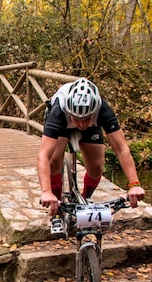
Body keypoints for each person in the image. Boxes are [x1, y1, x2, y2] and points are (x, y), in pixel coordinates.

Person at [37, 77, 145, 231]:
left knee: (96, 167)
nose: (81, 124)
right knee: (54, 159)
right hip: (62, 125)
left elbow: (121, 148)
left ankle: (85, 199)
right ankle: (57, 211)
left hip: (92, 127)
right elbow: (43, 156)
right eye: (77, 119)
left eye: (86, 119)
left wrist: (134, 184)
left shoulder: (103, 109)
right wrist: (46, 192)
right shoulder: (58, 111)